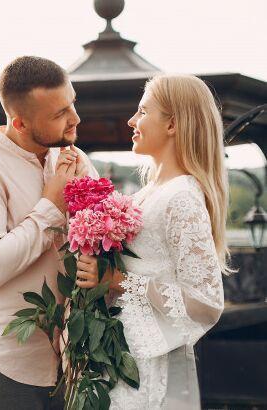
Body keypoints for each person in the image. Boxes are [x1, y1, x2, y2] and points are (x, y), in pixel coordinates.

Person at [0, 56, 97, 409]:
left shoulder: (75, 160)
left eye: (72, 103)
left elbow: (101, 238)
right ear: (20, 122)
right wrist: (51, 206)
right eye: (59, 113)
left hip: (67, 361)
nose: (74, 118)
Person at [76, 74, 228, 409]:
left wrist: (118, 280)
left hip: (149, 368)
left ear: (172, 124)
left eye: (143, 112)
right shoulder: (147, 194)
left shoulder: (182, 198)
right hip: (118, 357)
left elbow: (206, 302)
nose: (132, 121)